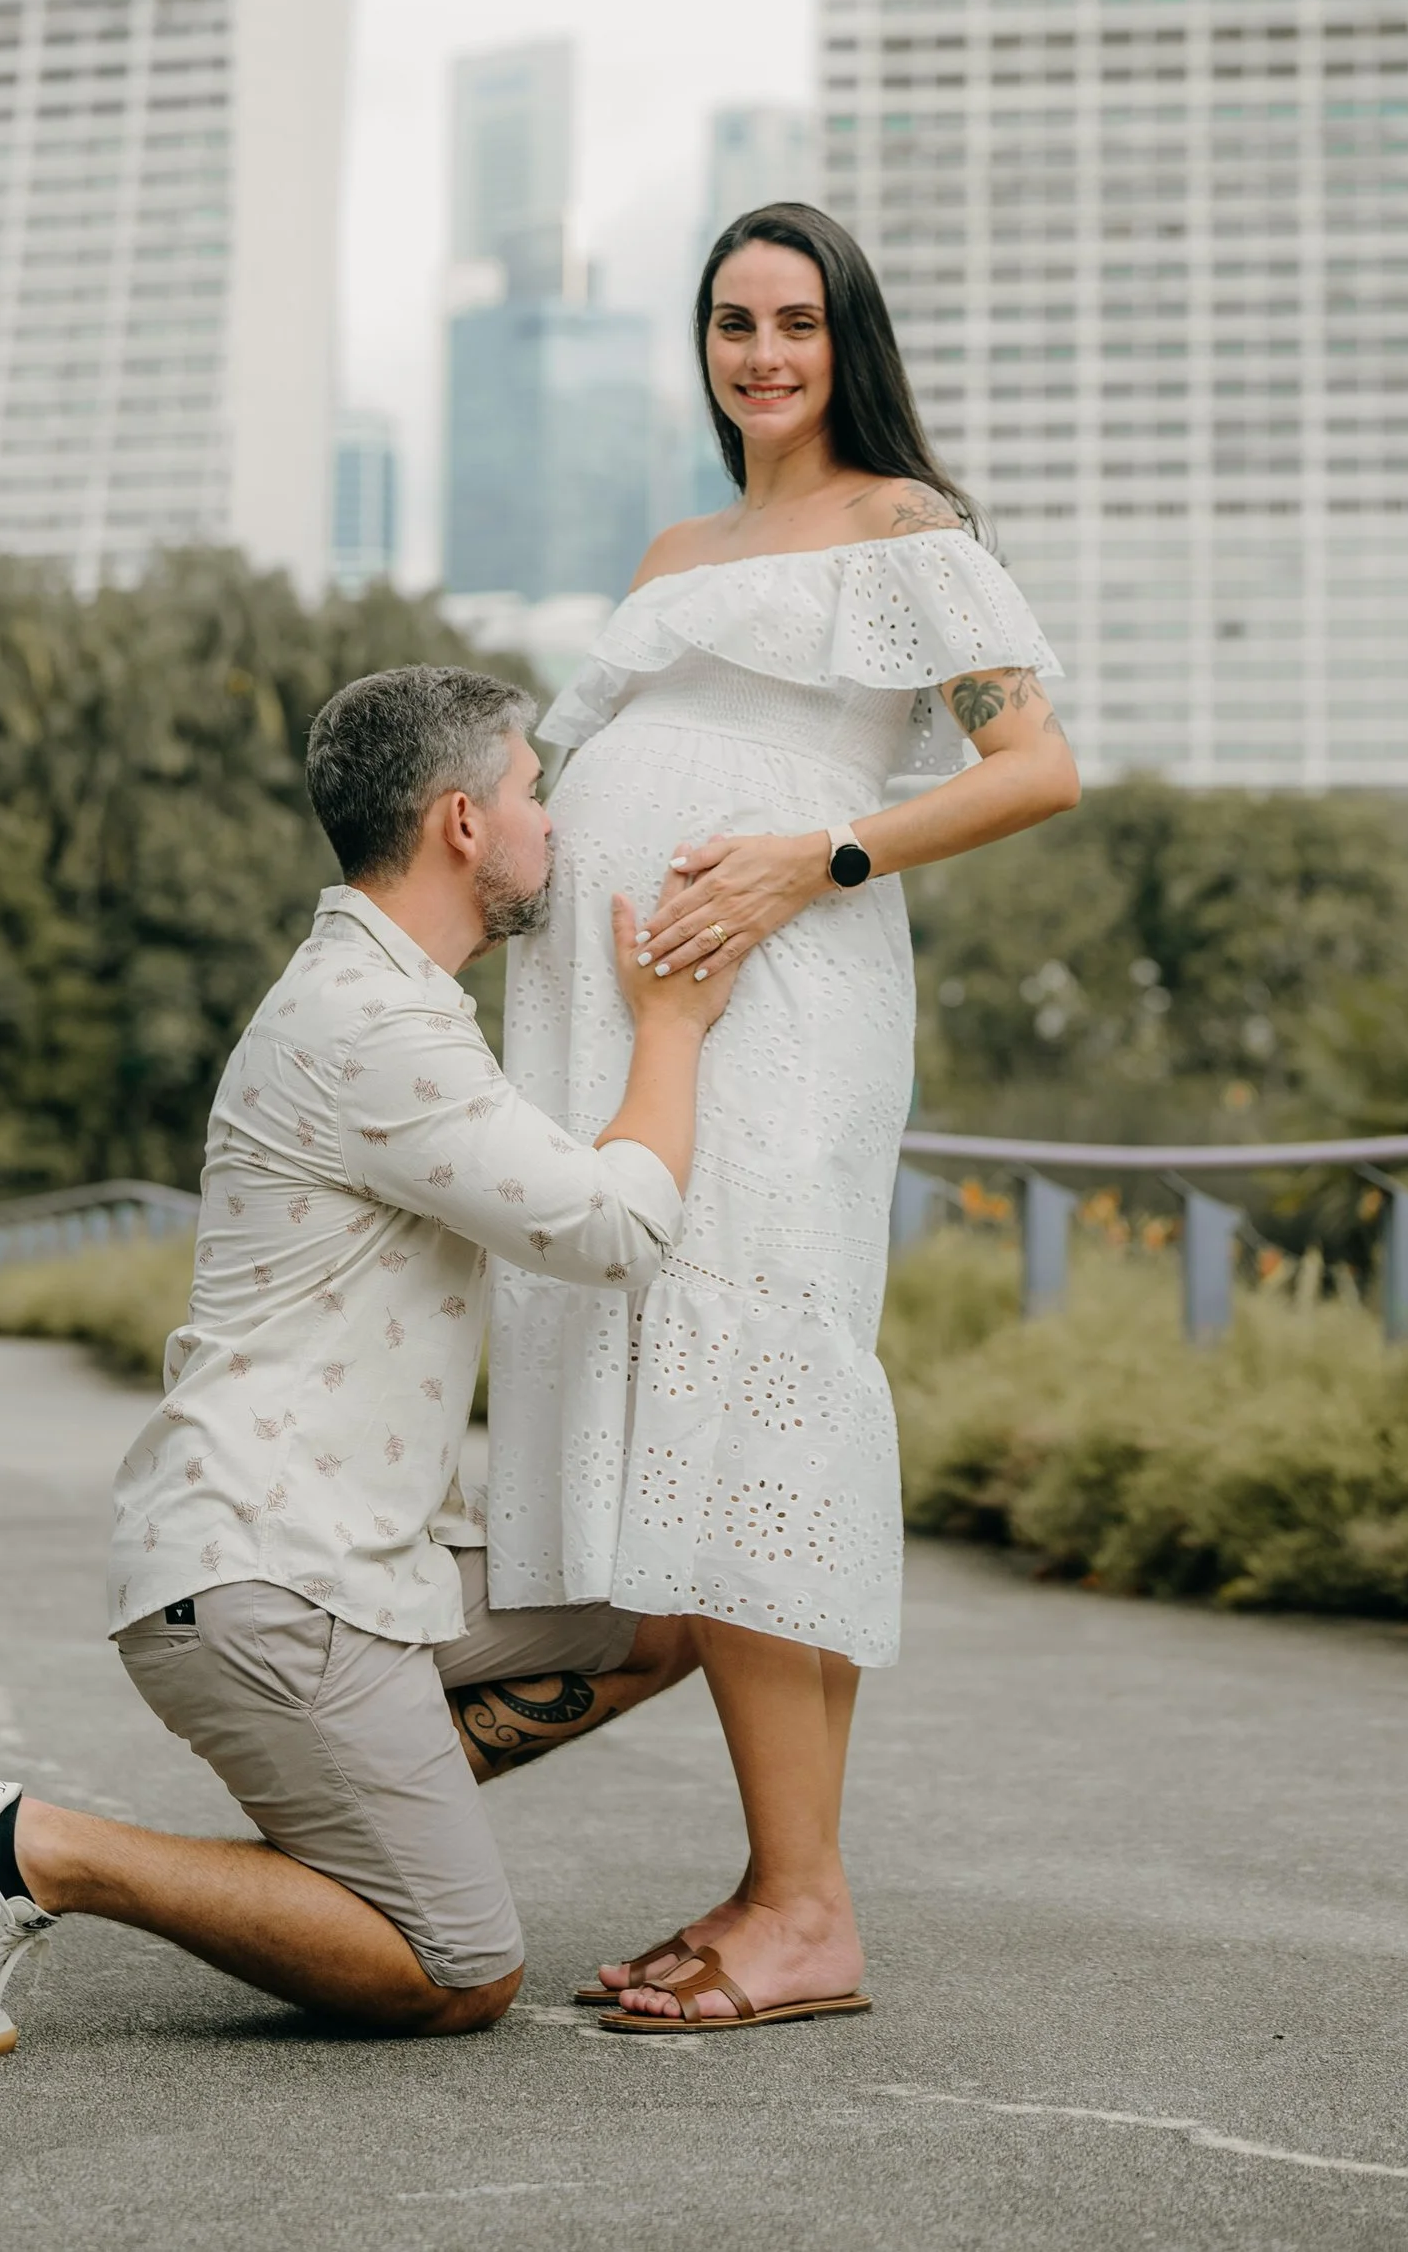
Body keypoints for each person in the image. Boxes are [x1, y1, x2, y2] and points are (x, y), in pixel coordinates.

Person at [0, 664, 730, 2058]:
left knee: (663, 1610)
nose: (557, 824)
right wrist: (673, 1026)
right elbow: (609, 1225)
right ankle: (35, 1848)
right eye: (536, 788)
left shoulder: (377, 995)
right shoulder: (374, 1026)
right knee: (457, 1967)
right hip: (269, 1576)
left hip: (349, 1567)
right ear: (464, 820)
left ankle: (366, 1819)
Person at [488, 200, 1080, 2033]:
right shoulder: (683, 544)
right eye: (734, 321)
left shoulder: (905, 529)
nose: (763, 354)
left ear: (850, 340)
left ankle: (805, 1905)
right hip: (638, 1018)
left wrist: (808, 857)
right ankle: (785, 1887)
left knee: (752, 1394)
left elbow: (1037, 768)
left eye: (798, 323)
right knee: (723, 1403)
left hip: (781, 998)